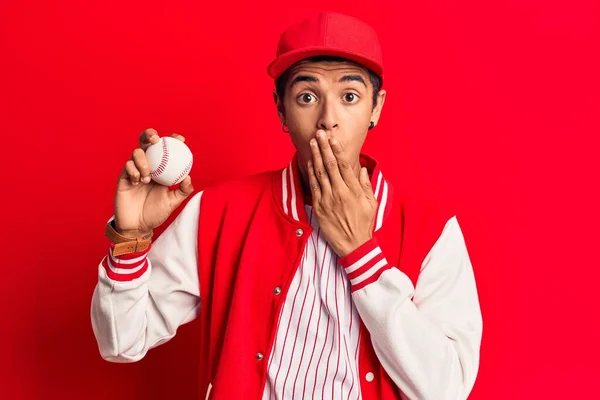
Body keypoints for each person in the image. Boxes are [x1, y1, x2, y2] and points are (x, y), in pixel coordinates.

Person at [91, 11, 483, 400]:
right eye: (307, 97)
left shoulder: (430, 230)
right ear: (281, 109)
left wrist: (362, 256)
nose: (327, 120)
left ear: (376, 108)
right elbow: (122, 341)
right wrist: (131, 236)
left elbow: (446, 390)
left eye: (349, 96)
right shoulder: (218, 212)